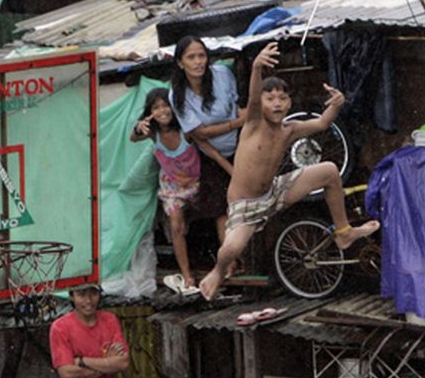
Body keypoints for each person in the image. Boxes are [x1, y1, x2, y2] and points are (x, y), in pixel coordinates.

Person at [198, 42, 380, 300]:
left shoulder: (289, 129)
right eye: (270, 98)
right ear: (260, 104)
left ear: (289, 103)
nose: (277, 103)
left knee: (329, 170)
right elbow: (251, 97)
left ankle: (343, 232)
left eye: (282, 98)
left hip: (275, 191)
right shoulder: (253, 123)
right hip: (245, 205)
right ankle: (217, 272)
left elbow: (323, 122)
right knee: (232, 248)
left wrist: (337, 103)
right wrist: (257, 67)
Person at [130, 88, 231, 292]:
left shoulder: (187, 132)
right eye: (156, 107)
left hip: (196, 184)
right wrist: (138, 127)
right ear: (150, 113)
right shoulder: (153, 134)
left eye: (165, 105)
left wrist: (233, 172)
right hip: (172, 186)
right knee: (176, 226)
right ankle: (187, 275)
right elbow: (133, 138)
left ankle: (228, 264)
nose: (162, 111)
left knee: (219, 215)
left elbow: (213, 153)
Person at [168, 36, 244, 247]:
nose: (198, 62)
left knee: (247, 200)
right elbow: (199, 134)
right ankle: (230, 261)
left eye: (202, 55)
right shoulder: (177, 95)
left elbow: (237, 106)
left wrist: (241, 122)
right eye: (191, 57)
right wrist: (235, 123)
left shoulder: (222, 74)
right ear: (180, 63)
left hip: (242, 143)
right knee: (221, 208)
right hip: (210, 154)